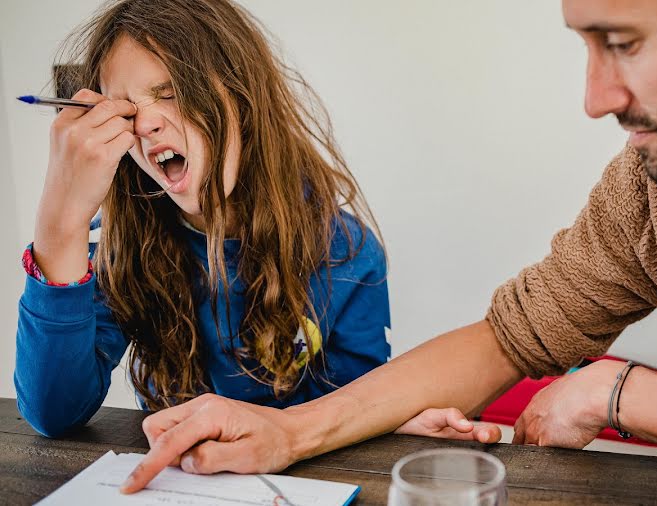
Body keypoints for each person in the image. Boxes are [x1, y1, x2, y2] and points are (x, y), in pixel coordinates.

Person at [121, 0, 657, 502]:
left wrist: (623, 391)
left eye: (622, 43)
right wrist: (289, 432)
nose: (596, 98)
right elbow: (508, 337)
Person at [14, 0, 391, 444]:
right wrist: (61, 225)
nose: (148, 123)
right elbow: (53, 413)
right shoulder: (120, 250)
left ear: (243, 98)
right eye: (126, 110)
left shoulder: (346, 252)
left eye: (171, 91)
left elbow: (358, 417)